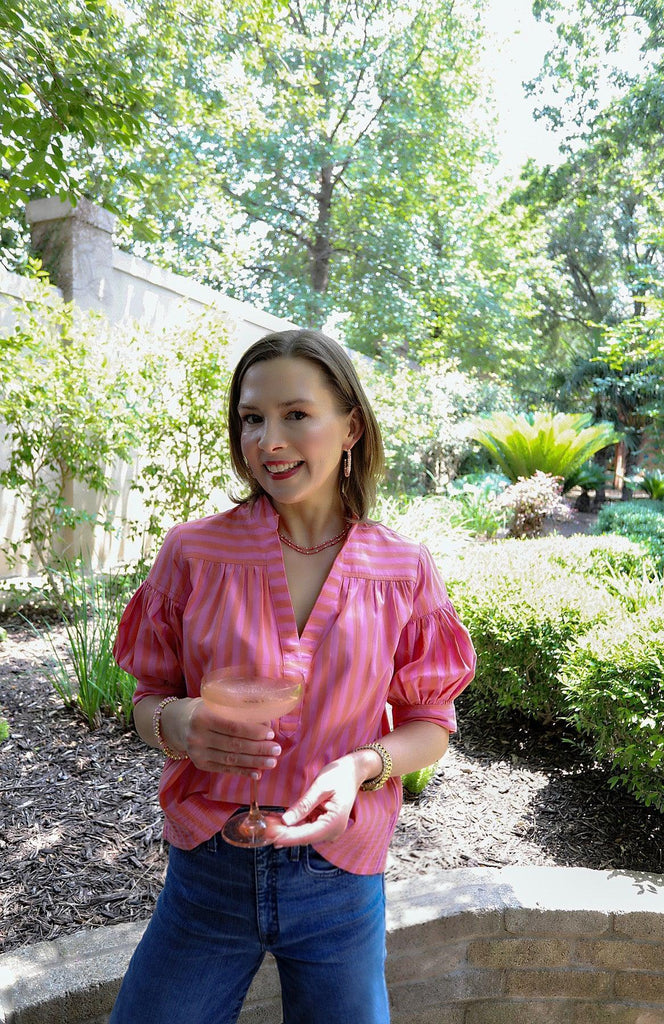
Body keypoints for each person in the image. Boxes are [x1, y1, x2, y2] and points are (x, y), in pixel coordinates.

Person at [109, 329, 476, 1024]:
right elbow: (147, 700)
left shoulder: (401, 567)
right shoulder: (194, 552)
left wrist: (360, 767)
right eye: (252, 419)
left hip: (340, 876)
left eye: (295, 415)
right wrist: (176, 723)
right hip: (208, 870)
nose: (268, 440)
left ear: (350, 429)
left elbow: (430, 728)